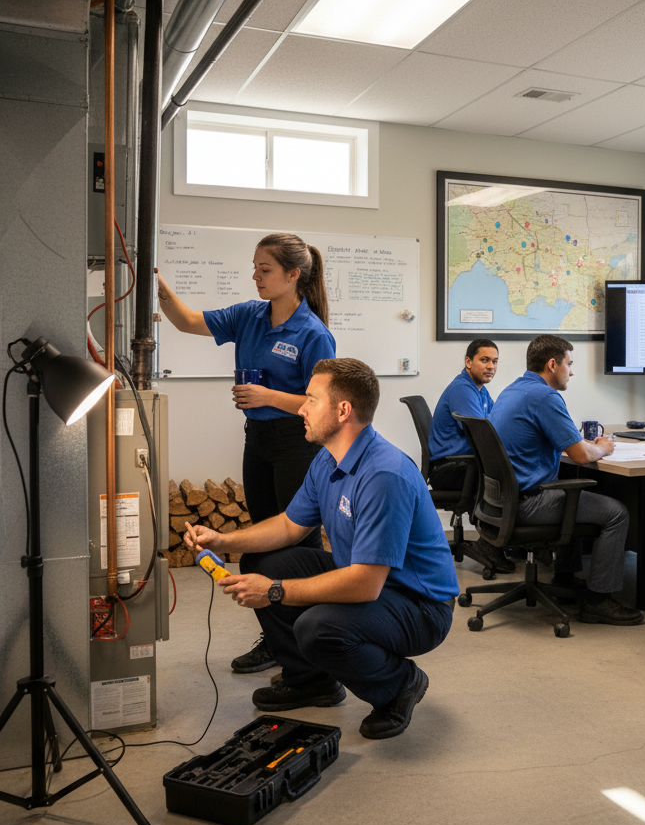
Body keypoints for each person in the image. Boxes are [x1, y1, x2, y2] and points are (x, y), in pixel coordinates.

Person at [184, 358, 459, 739]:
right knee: (261, 560)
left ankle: (399, 684)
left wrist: (275, 591)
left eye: (311, 399)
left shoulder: (383, 475)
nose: (300, 407)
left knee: (318, 627)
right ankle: (312, 681)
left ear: (343, 410)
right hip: (371, 579)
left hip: (419, 605)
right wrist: (222, 540)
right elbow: (288, 526)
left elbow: (364, 586)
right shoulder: (328, 460)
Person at [157, 232, 336, 674]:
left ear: (293, 275)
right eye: (254, 267)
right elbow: (185, 321)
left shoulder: (313, 333)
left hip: (297, 444)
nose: (255, 276)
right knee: (262, 539)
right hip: (256, 441)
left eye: (265, 269)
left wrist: (268, 396)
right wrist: (155, 285)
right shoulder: (248, 315)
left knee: (297, 542)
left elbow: (322, 406)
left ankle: (306, 637)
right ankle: (276, 637)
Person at [488, 335, 644, 626]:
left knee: (571, 491)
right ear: (552, 364)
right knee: (616, 513)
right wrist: (604, 447)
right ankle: (599, 601)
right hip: (528, 503)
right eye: (569, 364)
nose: (571, 372)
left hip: (501, 501)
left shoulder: (514, 390)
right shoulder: (545, 397)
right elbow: (582, 455)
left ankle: (565, 578)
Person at [427, 338, 513, 574]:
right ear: (468, 362)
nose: (491, 366)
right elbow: (484, 435)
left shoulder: (480, 391)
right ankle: (489, 544)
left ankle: (502, 541)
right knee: (505, 476)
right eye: (484, 360)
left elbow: (497, 424)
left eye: (495, 361)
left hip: (463, 465)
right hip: (450, 469)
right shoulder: (462, 389)